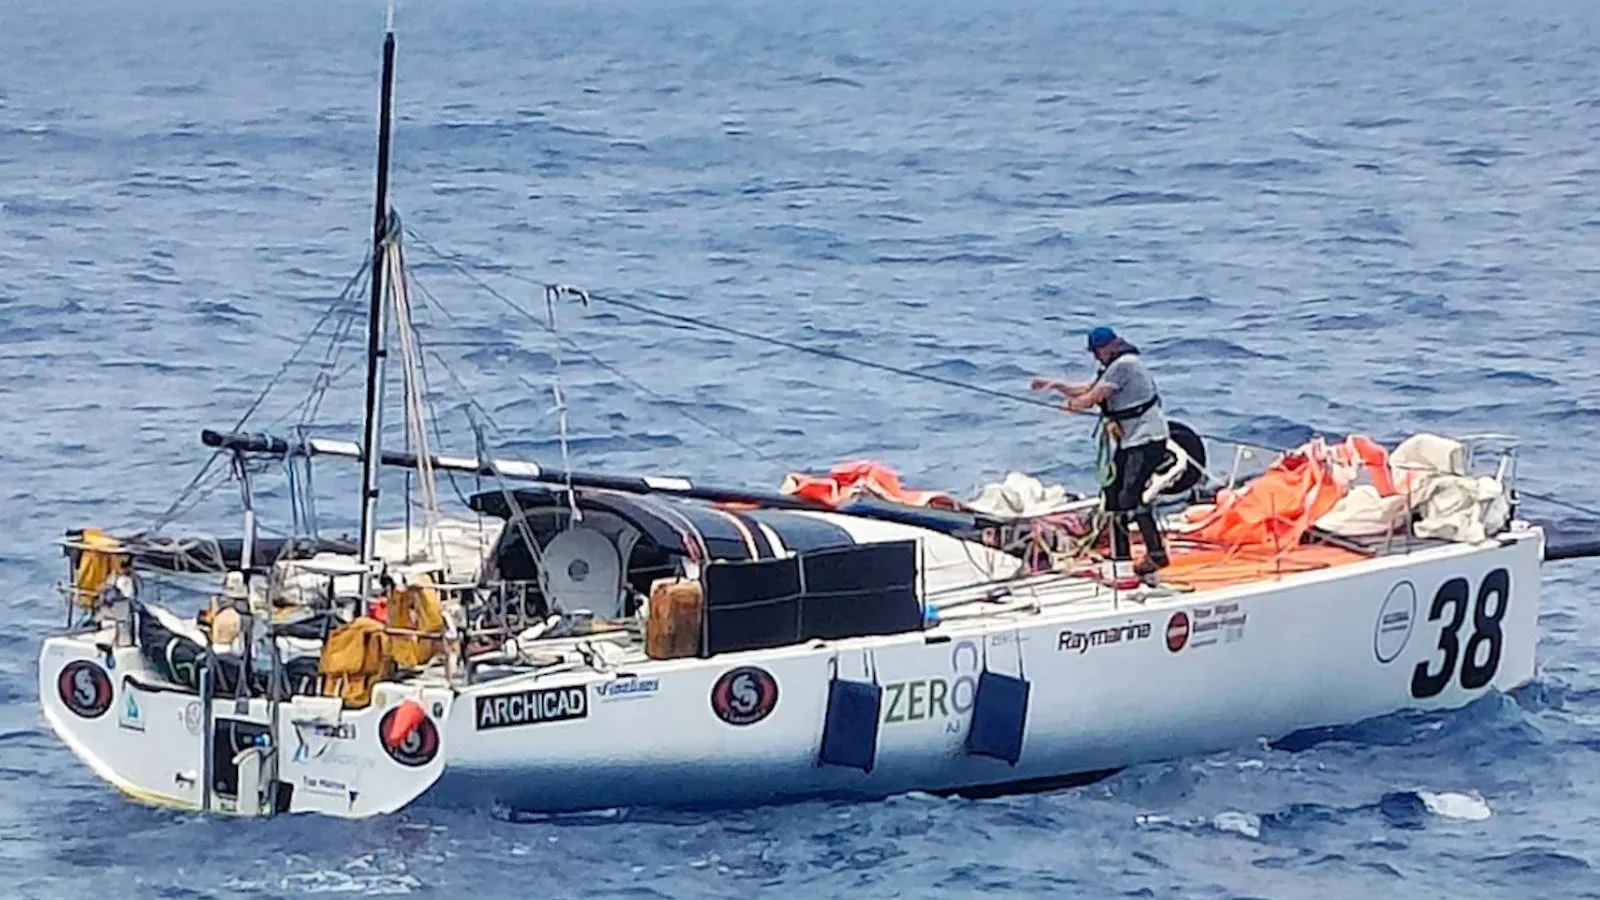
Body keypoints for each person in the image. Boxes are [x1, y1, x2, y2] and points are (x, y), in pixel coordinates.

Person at [1031, 325, 1171, 578]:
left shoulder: (1125, 365)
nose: (1096, 356)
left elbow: (1092, 397)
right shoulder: (1111, 367)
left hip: (1147, 439)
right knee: (1113, 496)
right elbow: (1086, 389)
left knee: (1131, 497)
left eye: (1098, 351)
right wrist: (1055, 386)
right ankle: (1121, 558)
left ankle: (1156, 555)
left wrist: (1074, 407)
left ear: (1111, 346)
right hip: (1131, 441)